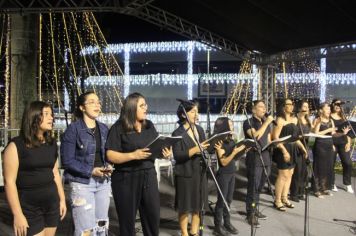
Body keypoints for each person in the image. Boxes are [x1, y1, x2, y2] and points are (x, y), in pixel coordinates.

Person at [105, 92, 172, 236]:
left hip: (148, 176)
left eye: (145, 105)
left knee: (152, 218)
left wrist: (164, 153)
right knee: (127, 223)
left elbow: (155, 148)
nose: (146, 108)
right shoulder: (119, 127)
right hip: (125, 179)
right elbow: (110, 155)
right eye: (142, 105)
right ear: (131, 108)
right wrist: (133, 155)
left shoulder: (149, 126)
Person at [3, 101, 66, 236]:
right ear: (34, 117)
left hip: (51, 203)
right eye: (46, 114)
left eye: (51, 114)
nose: (51, 118)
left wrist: (62, 199)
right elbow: (9, 182)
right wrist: (17, 214)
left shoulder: (52, 143)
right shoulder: (15, 146)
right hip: (28, 207)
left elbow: (54, 172)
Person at [61, 91, 112, 236]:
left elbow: (106, 154)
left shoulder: (103, 128)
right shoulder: (73, 129)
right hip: (82, 183)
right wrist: (91, 171)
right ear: (82, 107)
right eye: (92, 102)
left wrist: (108, 165)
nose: (97, 105)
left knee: (102, 226)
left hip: (103, 182)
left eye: (98, 102)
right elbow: (67, 161)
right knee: (86, 230)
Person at [172, 100, 210, 236]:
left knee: (198, 206)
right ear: (183, 115)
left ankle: (194, 232)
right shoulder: (177, 132)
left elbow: (205, 148)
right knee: (185, 206)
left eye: (197, 111)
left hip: (200, 172)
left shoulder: (199, 129)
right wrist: (196, 149)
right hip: (185, 173)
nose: (196, 114)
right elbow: (178, 156)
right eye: (192, 111)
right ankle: (184, 233)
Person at [213, 117, 246, 235]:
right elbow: (223, 162)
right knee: (221, 201)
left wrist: (242, 150)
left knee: (229, 200)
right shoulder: (219, 142)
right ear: (225, 127)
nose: (233, 127)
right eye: (230, 125)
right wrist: (234, 152)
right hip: (223, 174)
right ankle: (217, 226)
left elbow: (234, 158)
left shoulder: (231, 140)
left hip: (232, 173)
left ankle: (227, 223)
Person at [243, 100, 273, 227]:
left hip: (266, 156)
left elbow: (269, 139)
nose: (264, 109)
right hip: (254, 157)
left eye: (265, 107)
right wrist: (266, 122)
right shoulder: (248, 122)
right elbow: (255, 136)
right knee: (253, 186)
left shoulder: (265, 123)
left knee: (260, 186)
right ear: (254, 110)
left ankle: (255, 209)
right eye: (261, 107)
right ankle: (250, 213)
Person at [273, 99, 307, 211]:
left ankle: (284, 198)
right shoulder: (280, 119)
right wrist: (284, 151)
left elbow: (295, 137)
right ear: (283, 106)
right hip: (283, 148)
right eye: (289, 104)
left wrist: (302, 147)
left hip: (293, 148)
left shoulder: (295, 119)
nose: (292, 106)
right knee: (282, 175)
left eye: (292, 104)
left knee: (290, 174)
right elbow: (275, 138)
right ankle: (277, 200)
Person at [290, 100, 312, 202]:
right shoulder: (295, 119)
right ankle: (294, 194)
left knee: (304, 171)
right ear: (299, 107)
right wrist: (300, 136)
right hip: (297, 147)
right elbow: (293, 135)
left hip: (306, 145)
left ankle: (301, 192)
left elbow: (311, 133)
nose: (306, 108)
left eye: (307, 107)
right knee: (297, 171)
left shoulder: (308, 120)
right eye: (304, 106)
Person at [312, 103, 336, 198]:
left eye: (329, 109)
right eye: (327, 109)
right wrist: (328, 130)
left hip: (329, 144)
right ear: (321, 110)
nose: (329, 110)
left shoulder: (331, 120)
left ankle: (325, 188)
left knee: (328, 167)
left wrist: (343, 133)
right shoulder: (318, 120)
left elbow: (333, 133)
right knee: (319, 167)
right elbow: (316, 133)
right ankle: (317, 189)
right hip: (320, 144)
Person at [330, 99, 354, 193]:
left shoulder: (343, 117)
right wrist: (331, 143)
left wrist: (348, 143)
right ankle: (332, 183)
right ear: (333, 105)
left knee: (348, 162)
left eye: (340, 105)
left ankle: (347, 184)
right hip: (332, 142)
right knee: (331, 163)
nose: (338, 106)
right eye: (336, 104)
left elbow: (348, 132)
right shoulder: (329, 117)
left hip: (343, 142)